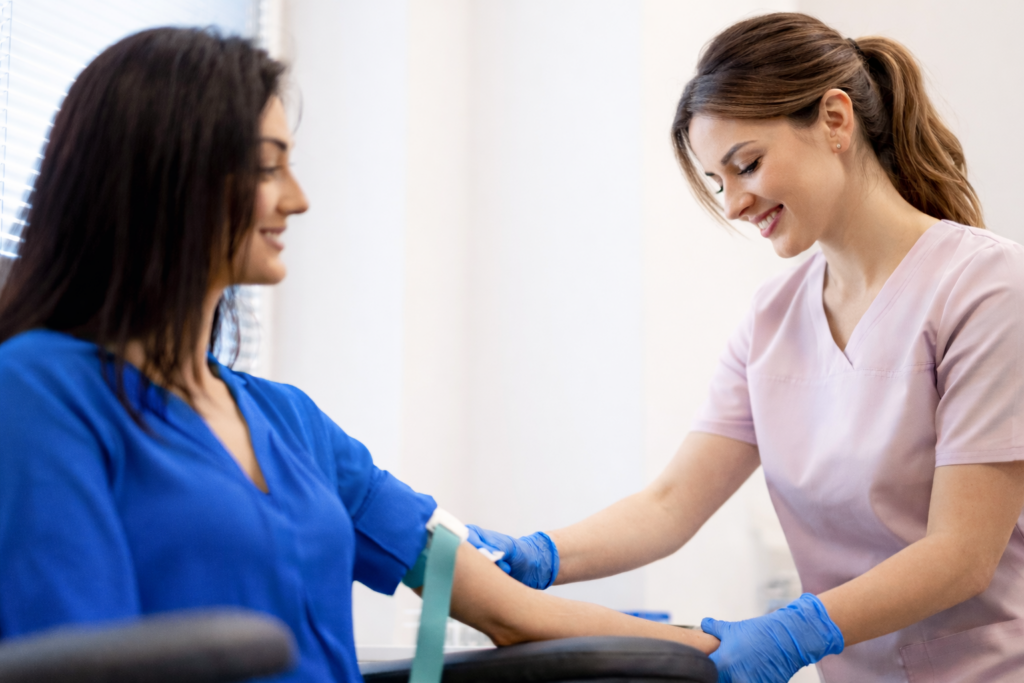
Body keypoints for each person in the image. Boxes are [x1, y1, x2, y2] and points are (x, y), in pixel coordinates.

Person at [0, 28, 719, 682]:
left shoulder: (289, 423)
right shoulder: (38, 394)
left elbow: (507, 608)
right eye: (268, 168)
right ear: (166, 175)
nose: (298, 199)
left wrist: (721, 645)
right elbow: (75, 660)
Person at [467, 12, 1024, 683]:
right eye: (717, 182)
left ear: (836, 120)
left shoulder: (987, 286)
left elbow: (963, 554)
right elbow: (670, 505)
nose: (732, 205)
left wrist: (797, 630)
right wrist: (537, 555)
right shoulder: (772, 318)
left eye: (747, 165)